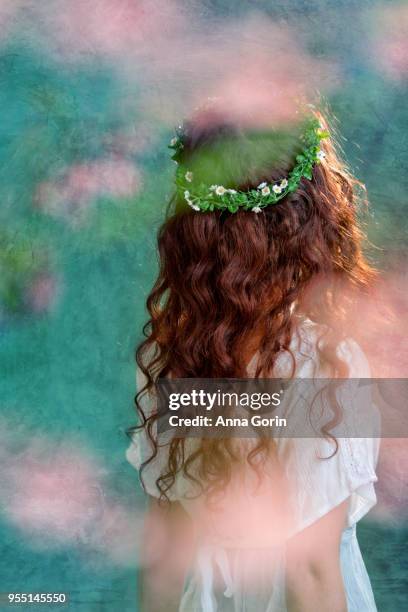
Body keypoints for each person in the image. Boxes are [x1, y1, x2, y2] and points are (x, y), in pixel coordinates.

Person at [127, 104, 379, 611]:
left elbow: (166, 550)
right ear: (310, 220)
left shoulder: (170, 353)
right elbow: (309, 571)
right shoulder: (326, 366)